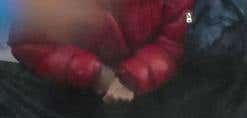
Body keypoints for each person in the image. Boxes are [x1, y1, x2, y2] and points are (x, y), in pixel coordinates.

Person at [9, 0, 193, 103]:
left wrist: (132, 77)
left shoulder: (185, 9)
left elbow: (173, 43)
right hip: (66, 98)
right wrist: (93, 72)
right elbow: (26, 42)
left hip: (148, 98)